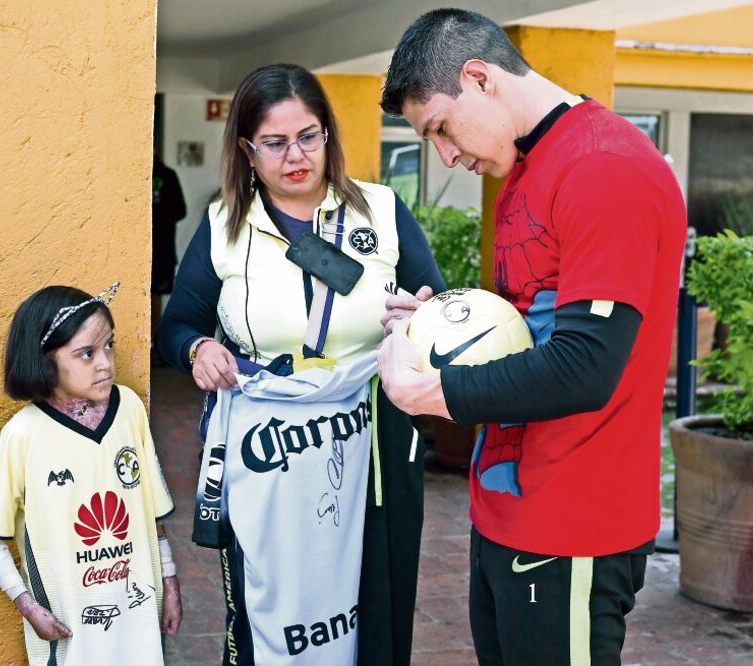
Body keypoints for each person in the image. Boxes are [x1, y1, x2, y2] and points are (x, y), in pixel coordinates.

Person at [376, 9, 686, 666]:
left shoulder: (603, 168)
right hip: (509, 509)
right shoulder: (525, 167)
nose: (446, 156)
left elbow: (583, 366)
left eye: (439, 128)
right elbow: (532, 320)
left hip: (575, 523)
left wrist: (429, 390)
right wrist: (439, 328)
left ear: (479, 78)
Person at [157, 64, 443, 666]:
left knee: (375, 596)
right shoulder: (224, 227)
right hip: (268, 449)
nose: (296, 156)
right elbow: (178, 324)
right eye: (276, 142)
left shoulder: (383, 212)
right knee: (269, 599)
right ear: (247, 149)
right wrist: (198, 349)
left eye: (309, 136)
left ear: (328, 135)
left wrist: (419, 319)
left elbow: (439, 309)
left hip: (370, 441)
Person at [0, 283, 182, 665]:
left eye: (109, 346)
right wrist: (28, 607)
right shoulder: (23, 435)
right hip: (71, 628)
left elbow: (151, 514)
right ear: (44, 359)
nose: (104, 362)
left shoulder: (129, 409)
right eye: (86, 353)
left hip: (137, 614)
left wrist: (169, 581)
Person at [151, 153, 187, 365]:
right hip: (139, 246)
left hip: (162, 248)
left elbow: (181, 210)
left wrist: (159, 215)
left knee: (156, 295)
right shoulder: (134, 174)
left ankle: (154, 346)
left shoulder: (168, 176)